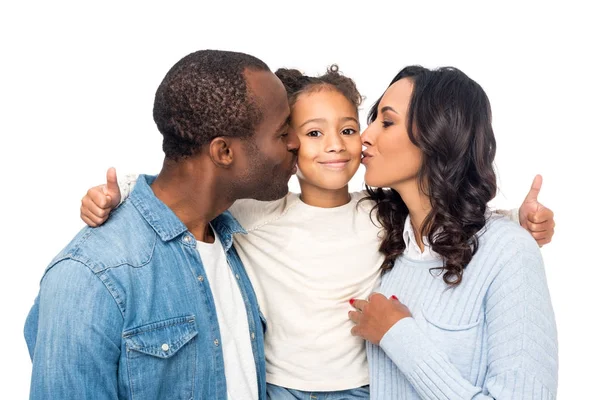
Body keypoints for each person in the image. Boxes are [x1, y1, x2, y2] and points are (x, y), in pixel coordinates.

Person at [80, 65, 555, 399]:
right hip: (279, 385)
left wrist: (516, 222)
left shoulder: (380, 216)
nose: (352, 142)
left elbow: (457, 227)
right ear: (288, 145)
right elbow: (186, 195)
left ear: (436, 135)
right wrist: (117, 194)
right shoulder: (260, 214)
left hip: (358, 387)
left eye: (359, 127)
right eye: (312, 133)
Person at [24, 49, 300, 400]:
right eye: (281, 133)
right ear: (224, 152)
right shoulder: (91, 276)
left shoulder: (238, 239)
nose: (295, 142)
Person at [349, 66, 558, 399]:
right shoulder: (383, 247)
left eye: (386, 122)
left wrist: (398, 335)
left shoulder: (509, 253)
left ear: (437, 136)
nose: (365, 136)